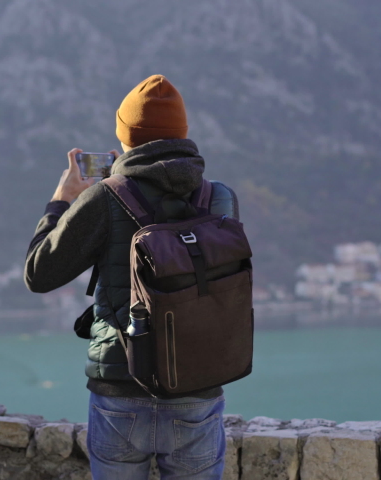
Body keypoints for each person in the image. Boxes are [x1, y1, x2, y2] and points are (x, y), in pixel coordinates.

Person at [24, 75, 238, 480]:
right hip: (197, 388)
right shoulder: (221, 198)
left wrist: (62, 202)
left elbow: (38, 273)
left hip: (120, 389)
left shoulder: (104, 197)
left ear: (126, 137)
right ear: (182, 134)